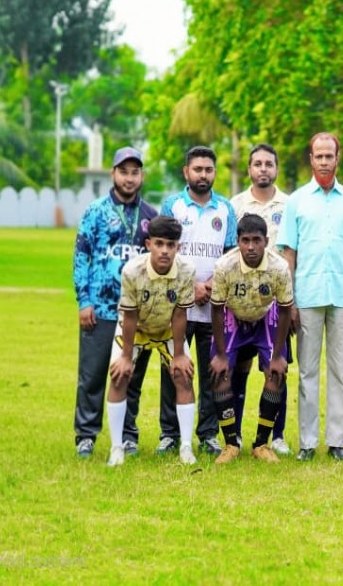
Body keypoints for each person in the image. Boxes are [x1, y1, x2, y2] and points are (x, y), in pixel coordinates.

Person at [278, 132, 343, 462]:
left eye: (329, 156)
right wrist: (289, 301)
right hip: (307, 295)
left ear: (337, 158)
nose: (324, 162)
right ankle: (307, 442)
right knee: (307, 371)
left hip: (342, 295)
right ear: (311, 159)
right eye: (318, 156)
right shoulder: (297, 201)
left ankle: (336, 441)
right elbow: (289, 253)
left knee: (339, 371)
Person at [72, 146, 156, 459]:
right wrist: (84, 301)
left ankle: (128, 435)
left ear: (141, 176)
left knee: (131, 377)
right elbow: (81, 256)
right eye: (124, 172)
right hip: (101, 309)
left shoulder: (150, 216)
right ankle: (86, 435)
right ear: (113, 174)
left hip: (137, 313)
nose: (129, 178)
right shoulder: (95, 211)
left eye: (135, 172)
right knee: (92, 375)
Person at [157, 146, 237, 457]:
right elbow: (165, 251)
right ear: (186, 172)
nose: (203, 175)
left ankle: (208, 434)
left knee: (211, 372)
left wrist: (211, 286)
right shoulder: (173, 205)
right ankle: (170, 433)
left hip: (213, 308)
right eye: (197, 169)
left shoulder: (225, 208)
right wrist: (191, 286)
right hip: (178, 306)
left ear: (214, 173)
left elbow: (231, 255)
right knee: (174, 370)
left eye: (208, 170)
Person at [105, 216, 197, 467]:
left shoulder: (187, 270)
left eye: (170, 245)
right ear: (149, 244)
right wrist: (126, 357)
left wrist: (179, 355)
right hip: (135, 328)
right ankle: (116, 448)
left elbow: (180, 314)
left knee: (184, 375)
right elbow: (130, 315)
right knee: (119, 375)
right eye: (159, 244)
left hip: (167, 328)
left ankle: (186, 447)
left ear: (178, 247)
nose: (165, 250)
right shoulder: (132, 271)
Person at [208, 213, 294, 463]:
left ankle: (261, 443)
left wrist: (277, 356)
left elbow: (285, 309)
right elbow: (216, 308)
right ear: (238, 241)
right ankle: (230, 444)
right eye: (245, 240)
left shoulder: (279, 267)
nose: (251, 247)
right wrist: (221, 355)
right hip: (233, 315)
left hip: (265, 316)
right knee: (219, 373)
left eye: (257, 240)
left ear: (266, 241)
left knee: (276, 373)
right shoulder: (224, 266)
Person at [229, 143, 292, 456]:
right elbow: (230, 252)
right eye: (258, 164)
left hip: (276, 302)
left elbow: (293, 252)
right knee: (238, 367)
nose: (263, 169)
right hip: (240, 303)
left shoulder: (290, 205)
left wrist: (292, 304)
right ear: (250, 169)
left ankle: (275, 435)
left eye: (269, 163)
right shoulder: (236, 205)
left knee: (277, 367)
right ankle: (236, 435)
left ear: (276, 168)